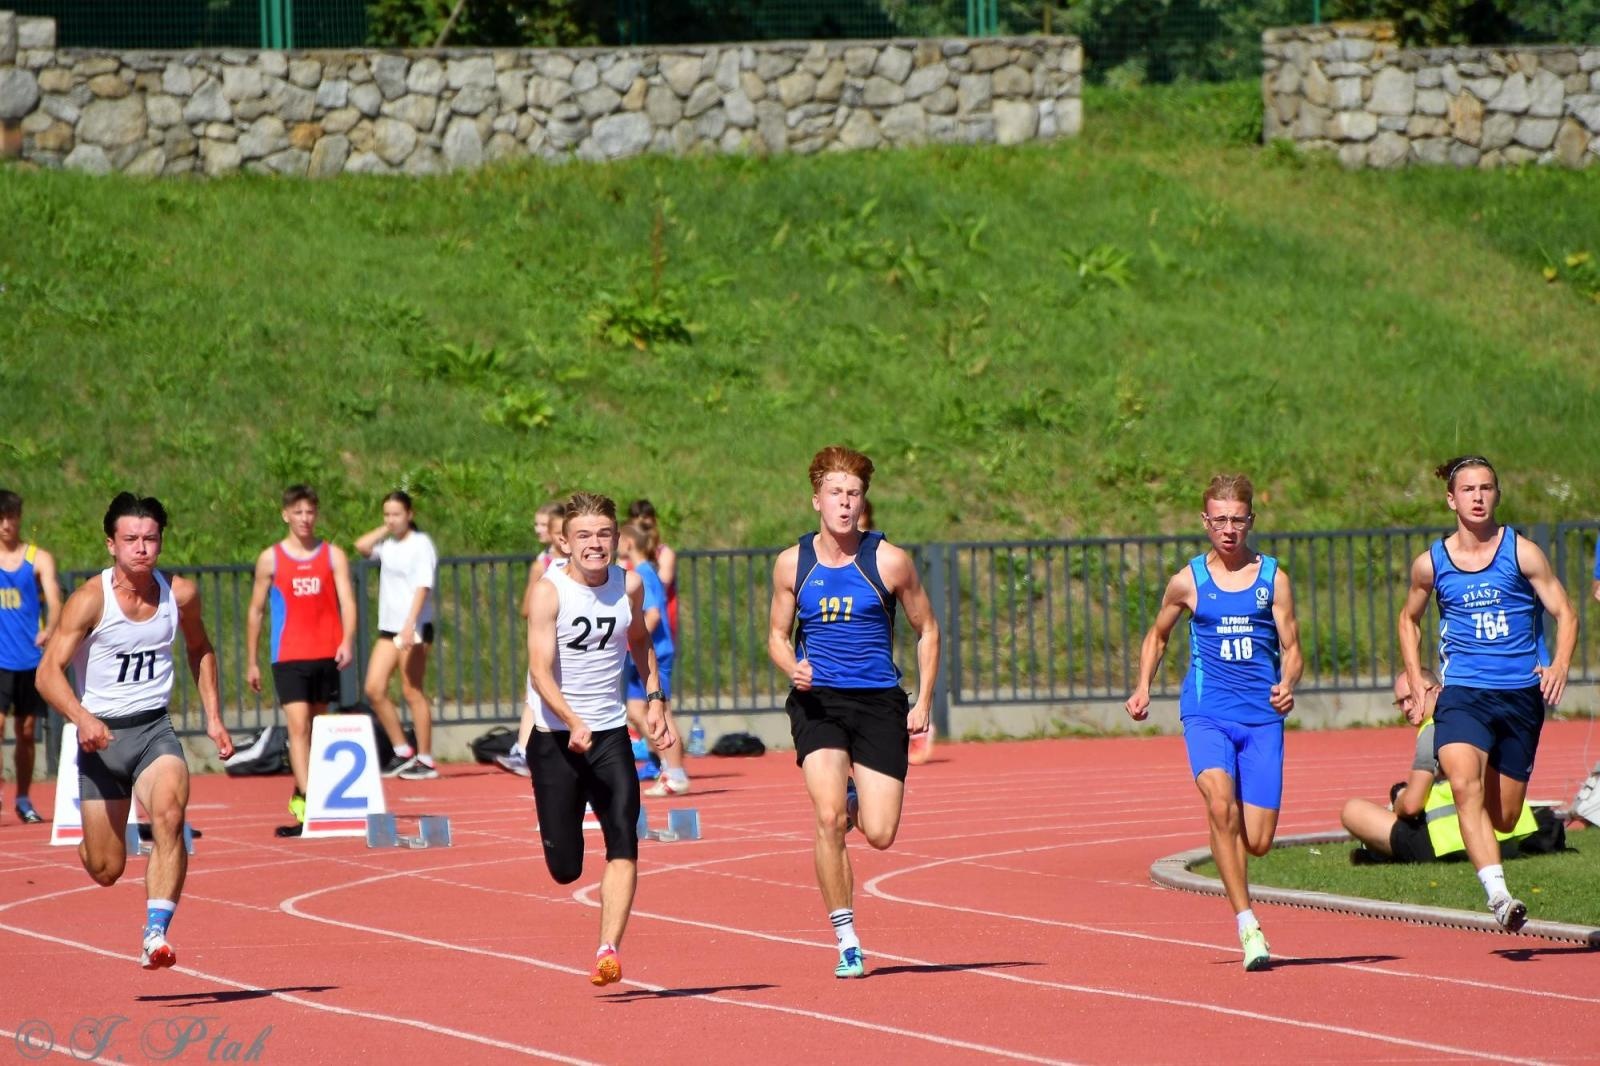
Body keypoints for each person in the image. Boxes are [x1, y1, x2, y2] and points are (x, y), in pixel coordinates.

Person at [34, 493, 234, 970]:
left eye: (150, 539)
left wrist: (213, 716)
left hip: (152, 730)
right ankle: (90, 838)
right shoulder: (89, 601)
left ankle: (155, 933)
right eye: (131, 540)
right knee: (106, 869)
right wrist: (83, 719)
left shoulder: (178, 594)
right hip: (101, 742)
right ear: (111, 544)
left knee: (169, 813)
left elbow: (201, 649)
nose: (141, 549)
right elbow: (47, 674)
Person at [767, 446, 940, 979]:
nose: (845, 504)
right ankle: (846, 938)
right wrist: (791, 664)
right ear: (816, 498)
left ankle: (851, 798)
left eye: (854, 494)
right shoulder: (793, 563)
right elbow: (775, 634)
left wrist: (925, 701)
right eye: (836, 493)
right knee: (826, 820)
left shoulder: (889, 560)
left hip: (878, 703)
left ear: (864, 502)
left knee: (882, 832)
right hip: (818, 702)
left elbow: (927, 630)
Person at [1125, 474, 1303, 972]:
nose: (1229, 529)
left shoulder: (1273, 579)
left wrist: (1287, 683)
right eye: (1219, 520)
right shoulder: (1188, 581)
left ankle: (1228, 831)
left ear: (1251, 520)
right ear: (1206, 522)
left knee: (1260, 840)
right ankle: (1248, 924)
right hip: (1207, 713)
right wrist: (1144, 687)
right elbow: (1157, 637)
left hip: (1262, 720)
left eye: (1237, 519)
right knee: (1220, 804)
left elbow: (1292, 649)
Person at [1397, 455, 1576, 931]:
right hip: (1463, 693)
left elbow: (1565, 612)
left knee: (1503, 815)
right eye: (1469, 489)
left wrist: (1558, 664)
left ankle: (1496, 844)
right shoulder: (1431, 563)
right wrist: (1416, 678)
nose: (1478, 497)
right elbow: (1407, 619)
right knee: (1462, 785)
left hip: (1519, 697)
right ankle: (1498, 895)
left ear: (1497, 495)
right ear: (1451, 499)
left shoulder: (1523, 553)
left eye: (1487, 488)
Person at [525, 492, 672, 987]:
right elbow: (540, 672)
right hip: (556, 737)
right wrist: (571, 718)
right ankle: (559, 834)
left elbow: (638, 641)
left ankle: (608, 948)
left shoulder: (627, 584)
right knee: (565, 867)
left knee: (624, 837)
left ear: (617, 538)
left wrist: (654, 697)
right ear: (564, 542)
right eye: (584, 536)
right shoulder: (549, 593)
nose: (595, 544)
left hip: (609, 733)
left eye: (604, 534)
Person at [243, 485, 358, 834]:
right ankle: (308, 802)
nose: (305, 519)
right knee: (298, 726)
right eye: (298, 512)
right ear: (286, 515)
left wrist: (347, 641)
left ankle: (313, 793)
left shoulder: (333, 555)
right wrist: (252, 660)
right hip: (289, 654)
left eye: (310, 512)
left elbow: (348, 601)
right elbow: (257, 610)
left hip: (325, 651)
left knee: (321, 728)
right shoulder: (271, 558)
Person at [1342, 670, 1538, 863]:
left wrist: (1399, 797)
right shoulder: (1482, 717)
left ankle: (1378, 852)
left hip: (1450, 843)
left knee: (1352, 811)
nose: (1407, 707)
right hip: (1508, 840)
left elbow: (1411, 806)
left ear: (1437, 691)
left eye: (1412, 697)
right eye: (1400, 702)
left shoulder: (1434, 728)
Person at [355, 490, 439, 780]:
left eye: (397, 514)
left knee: (411, 689)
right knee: (374, 688)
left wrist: (410, 623)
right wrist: (385, 528)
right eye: (387, 514)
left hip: (414, 626)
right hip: (389, 628)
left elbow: (423, 586)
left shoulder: (421, 544)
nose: (391, 520)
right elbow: (362, 546)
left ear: (410, 515)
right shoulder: (388, 545)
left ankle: (425, 758)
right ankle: (402, 750)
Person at [0, 489, 61, 825]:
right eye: (1, 518)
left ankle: (23, 798)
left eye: (11, 517)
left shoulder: (38, 558)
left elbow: (54, 601)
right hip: (0, 659)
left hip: (29, 658)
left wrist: (50, 629)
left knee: (26, 732)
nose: (6, 524)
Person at [500, 503, 568, 777]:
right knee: (536, 692)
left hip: (575, 641)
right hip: (549, 638)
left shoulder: (588, 564)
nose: (540, 531)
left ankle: (527, 749)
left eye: (545, 525)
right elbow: (527, 608)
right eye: (539, 526)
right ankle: (525, 749)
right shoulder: (542, 564)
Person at [619, 522, 687, 797]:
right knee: (635, 712)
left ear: (628, 544)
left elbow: (654, 614)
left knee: (662, 712)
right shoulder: (640, 572)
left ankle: (677, 773)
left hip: (654, 654)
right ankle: (665, 764)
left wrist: (631, 639)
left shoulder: (645, 573)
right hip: (639, 657)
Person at [627, 500, 678, 636]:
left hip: (659, 620)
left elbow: (660, 589)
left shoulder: (664, 554)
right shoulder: (626, 556)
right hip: (635, 620)